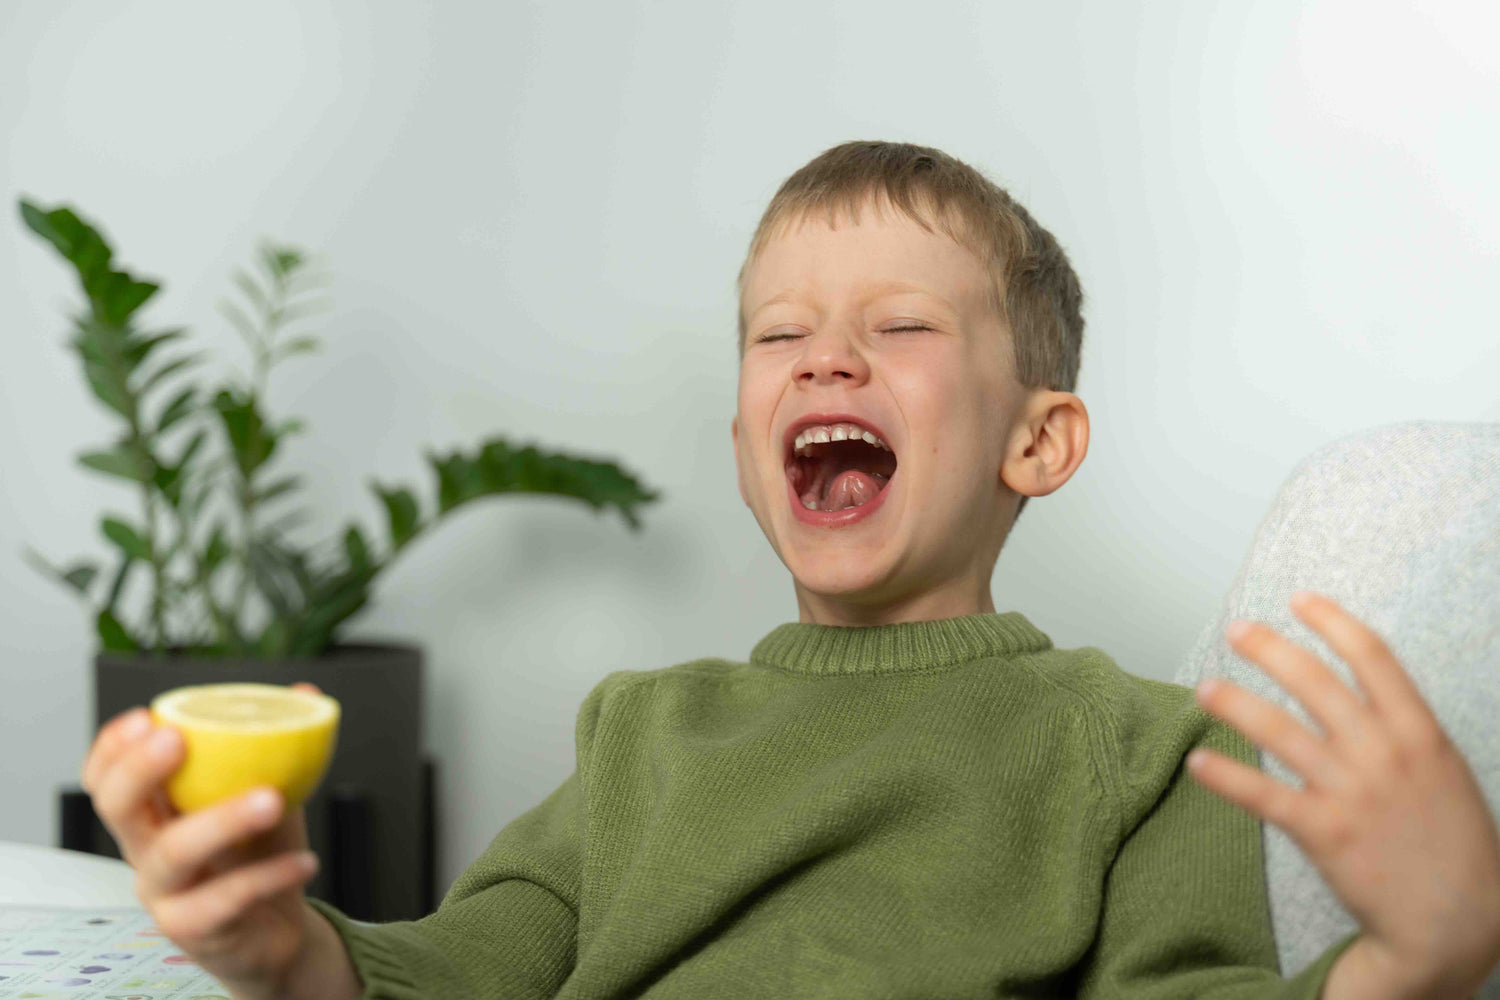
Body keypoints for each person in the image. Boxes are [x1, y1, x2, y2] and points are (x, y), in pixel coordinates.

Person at [78, 140, 1500, 1000]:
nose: (826, 358)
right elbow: (463, 968)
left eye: (901, 326)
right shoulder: (641, 732)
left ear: (1038, 441)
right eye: (780, 336)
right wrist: (282, 950)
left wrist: (1416, 960)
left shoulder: (1145, 749)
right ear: (750, 442)